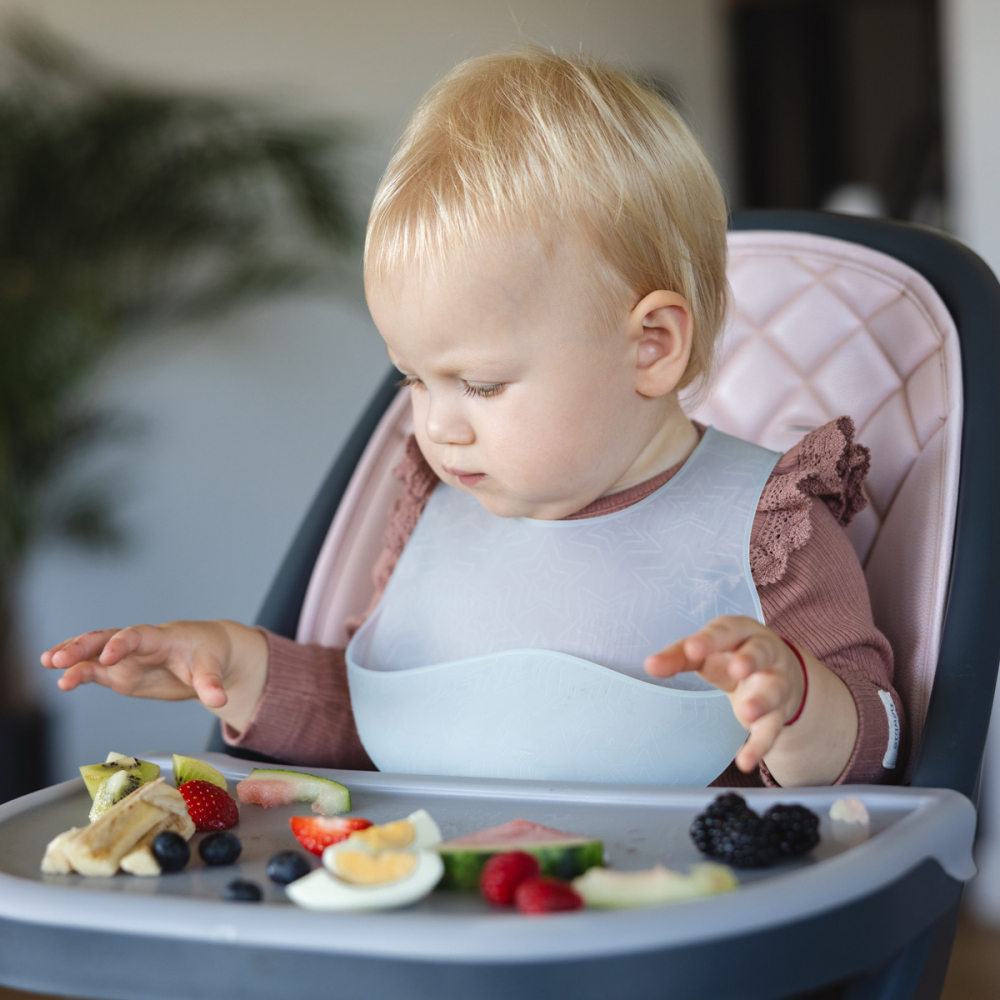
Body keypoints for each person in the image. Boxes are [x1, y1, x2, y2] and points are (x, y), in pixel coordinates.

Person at [41, 49, 904, 788]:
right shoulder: (433, 510)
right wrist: (234, 665)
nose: (437, 426)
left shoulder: (765, 527)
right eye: (414, 379)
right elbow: (373, 707)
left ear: (650, 347)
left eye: (482, 385)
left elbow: (882, 742)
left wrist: (794, 700)